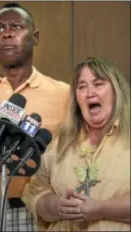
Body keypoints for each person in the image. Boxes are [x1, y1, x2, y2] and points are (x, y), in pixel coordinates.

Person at [22, 57, 130, 231]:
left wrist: (101, 209)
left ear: (116, 91)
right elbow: (35, 193)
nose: (90, 93)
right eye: (82, 87)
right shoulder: (59, 143)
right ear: (77, 100)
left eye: (98, 84)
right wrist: (55, 206)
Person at [0, 2, 70, 231]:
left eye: (16, 26)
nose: (7, 33)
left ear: (34, 37)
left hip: (35, 213)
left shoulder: (63, 94)